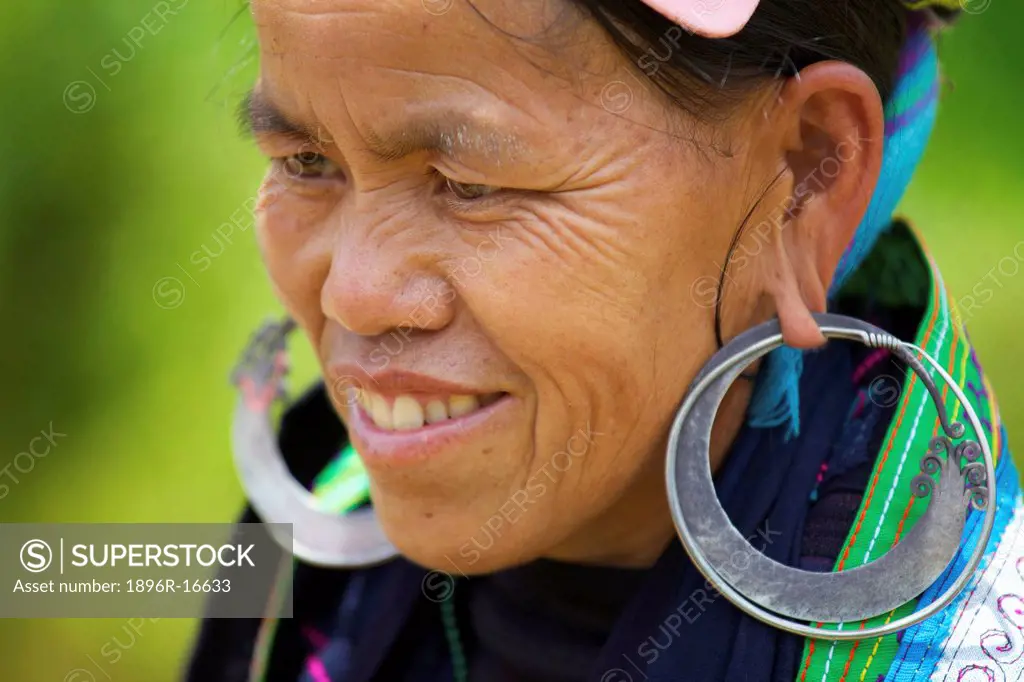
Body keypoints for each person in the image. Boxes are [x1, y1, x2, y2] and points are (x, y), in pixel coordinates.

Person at [187, 1, 1024, 681]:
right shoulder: (281, 585)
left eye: (470, 185)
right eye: (303, 161)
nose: (353, 296)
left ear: (806, 178)